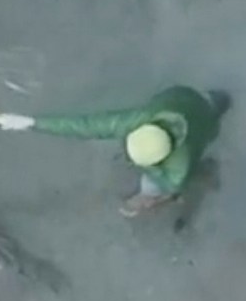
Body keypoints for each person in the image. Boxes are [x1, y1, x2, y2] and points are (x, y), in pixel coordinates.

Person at [27, 85, 230, 217]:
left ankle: (145, 200)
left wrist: (164, 192)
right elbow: (85, 125)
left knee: (152, 185)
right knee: (205, 111)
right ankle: (215, 104)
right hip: (196, 110)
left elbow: (172, 186)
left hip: (192, 119)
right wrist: (34, 123)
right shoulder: (143, 118)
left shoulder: (176, 170)